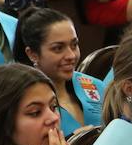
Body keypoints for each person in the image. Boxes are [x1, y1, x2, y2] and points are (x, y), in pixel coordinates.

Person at [13, 7, 105, 136]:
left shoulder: (95, 85)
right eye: (58, 48)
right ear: (32, 54)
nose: (71, 55)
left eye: (74, 45)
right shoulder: (23, 101)